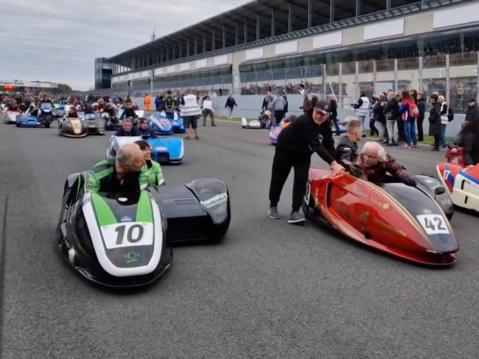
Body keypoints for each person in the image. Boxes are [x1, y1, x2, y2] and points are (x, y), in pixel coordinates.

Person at [268, 99, 344, 224]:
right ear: (313, 110)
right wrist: (333, 164)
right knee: (278, 178)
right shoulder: (305, 121)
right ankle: (273, 205)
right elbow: (316, 145)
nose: (319, 116)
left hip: (302, 153)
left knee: (301, 179)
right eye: (317, 112)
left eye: (323, 114)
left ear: (327, 115)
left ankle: (295, 211)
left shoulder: (325, 123)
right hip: (285, 150)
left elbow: (328, 143)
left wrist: (336, 161)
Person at [351, 142, 417, 186]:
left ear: (378, 158)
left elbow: (396, 169)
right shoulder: (358, 164)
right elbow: (363, 183)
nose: (366, 158)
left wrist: (404, 177)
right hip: (367, 188)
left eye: (370, 156)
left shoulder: (384, 158)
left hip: (381, 183)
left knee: (403, 181)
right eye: (365, 155)